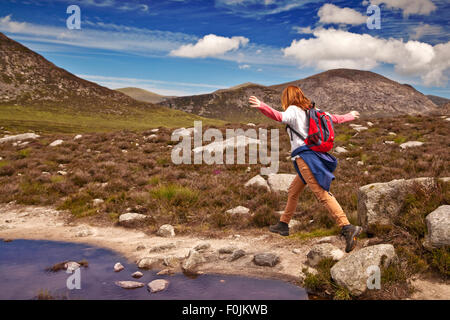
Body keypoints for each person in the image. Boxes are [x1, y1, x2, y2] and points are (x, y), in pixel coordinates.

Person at [249, 86, 362, 253]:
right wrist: (350, 116)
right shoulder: (314, 110)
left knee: (321, 194)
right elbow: (335, 119)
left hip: (305, 158)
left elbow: (279, 117)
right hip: (313, 156)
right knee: (293, 191)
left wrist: (261, 105)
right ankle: (283, 224)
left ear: (287, 98)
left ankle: (346, 226)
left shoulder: (293, 110)